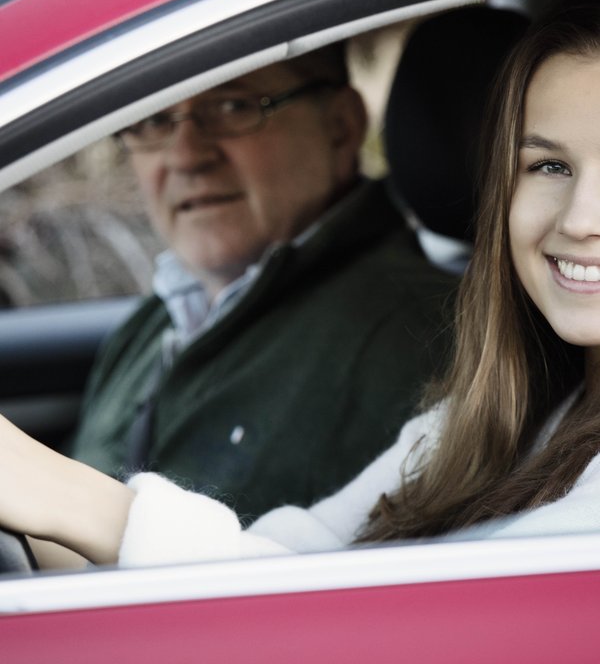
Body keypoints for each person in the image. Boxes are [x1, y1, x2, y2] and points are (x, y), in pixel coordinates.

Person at [3, 0, 600, 570]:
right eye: (549, 164)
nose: (580, 219)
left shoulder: (403, 331)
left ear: (344, 127)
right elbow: (289, 563)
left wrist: (69, 498)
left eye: (235, 108)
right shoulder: (502, 409)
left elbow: (377, 632)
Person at [68, 43, 457, 519]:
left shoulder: (423, 341)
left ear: (340, 127)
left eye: (233, 106)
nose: (186, 155)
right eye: (152, 121)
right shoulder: (148, 327)